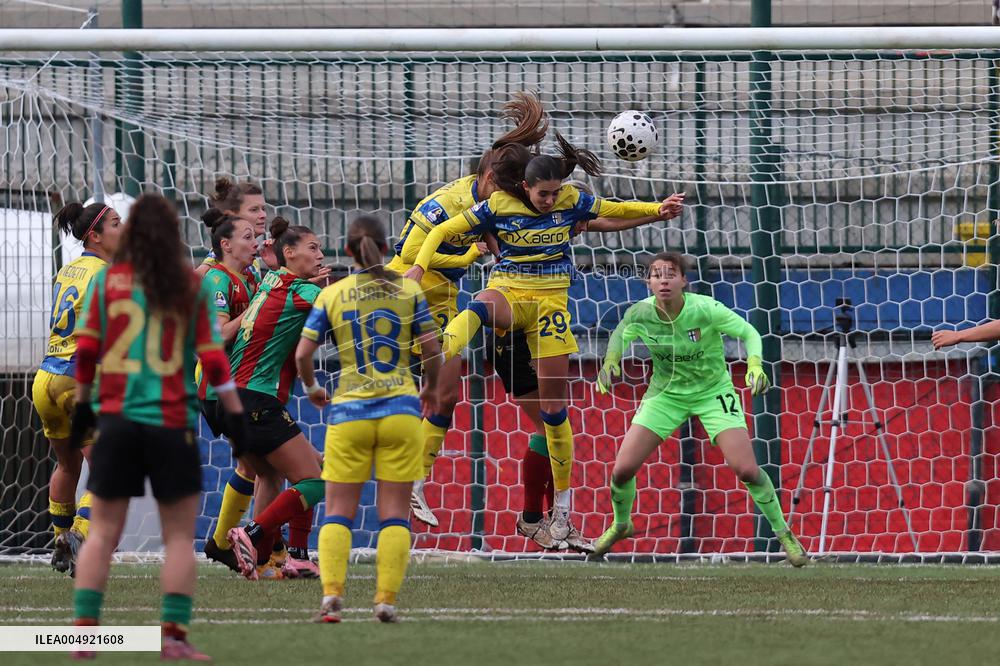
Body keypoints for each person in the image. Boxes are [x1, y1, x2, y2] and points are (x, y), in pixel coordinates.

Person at [405, 133, 683, 541]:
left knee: (551, 421)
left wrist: (656, 212)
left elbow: (607, 214)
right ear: (524, 186)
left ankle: (549, 518)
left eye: (556, 194)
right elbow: (440, 233)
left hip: (547, 311)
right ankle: (440, 352)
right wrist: (425, 265)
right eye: (543, 194)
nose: (551, 201)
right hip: (510, 317)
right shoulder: (494, 206)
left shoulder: (566, 205)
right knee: (484, 316)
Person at [68, 193, 249, 660]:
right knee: (177, 538)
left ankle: (84, 636)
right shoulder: (188, 285)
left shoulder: (109, 283)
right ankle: (173, 637)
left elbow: (86, 352)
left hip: (117, 421)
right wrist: (234, 413)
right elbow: (213, 357)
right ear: (172, 234)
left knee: (102, 532)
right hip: (171, 423)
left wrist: (84, 406)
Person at [588, 251, 808, 567]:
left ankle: (784, 534)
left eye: (671, 274)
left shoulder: (705, 309)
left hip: (712, 393)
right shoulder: (640, 313)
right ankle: (622, 524)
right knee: (621, 471)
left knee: (747, 470)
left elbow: (749, 332)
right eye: (657, 275)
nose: (664, 280)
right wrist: (611, 361)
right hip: (665, 396)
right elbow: (620, 334)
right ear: (648, 282)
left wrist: (755, 365)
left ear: (683, 281)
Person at [296, 214, 442, 623]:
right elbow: (433, 349)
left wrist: (312, 388)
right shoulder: (409, 290)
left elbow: (303, 354)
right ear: (386, 248)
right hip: (401, 412)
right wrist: (430, 388)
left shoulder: (332, 293)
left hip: (349, 414)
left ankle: (331, 598)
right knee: (394, 513)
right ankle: (385, 601)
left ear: (348, 251)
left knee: (338, 511)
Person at [226, 217, 327, 580]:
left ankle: (285, 558)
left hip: (234, 398)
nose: (320, 255)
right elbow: (344, 303)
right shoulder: (300, 292)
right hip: (256, 399)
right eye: (313, 248)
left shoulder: (273, 280)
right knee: (315, 480)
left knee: (279, 475)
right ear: (289, 252)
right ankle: (251, 535)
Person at [34, 201, 124, 575]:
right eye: (116, 223)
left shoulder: (68, 269)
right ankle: (79, 537)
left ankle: (61, 543)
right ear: (95, 236)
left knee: (67, 465)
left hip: (46, 378)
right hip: (80, 380)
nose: (123, 229)